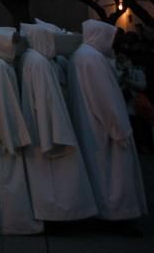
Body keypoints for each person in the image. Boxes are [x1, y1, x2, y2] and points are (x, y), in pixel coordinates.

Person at [67, 20, 148, 222]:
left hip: (91, 125)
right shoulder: (92, 59)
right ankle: (118, 213)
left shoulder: (81, 56)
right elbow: (105, 98)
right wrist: (119, 127)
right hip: (104, 127)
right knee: (114, 176)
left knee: (101, 172)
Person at [18, 22, 96, 222]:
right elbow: (46, 102)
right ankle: (61, 215)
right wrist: (56, 134)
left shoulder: (33, 59)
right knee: (59, 181)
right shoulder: (39, 63)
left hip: (44, 131)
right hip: (50, 132)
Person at [0, 27, 42, 235]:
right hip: (4, 137)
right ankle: (12, 223)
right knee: (8, 180)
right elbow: (4, 108)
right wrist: (12, 137)